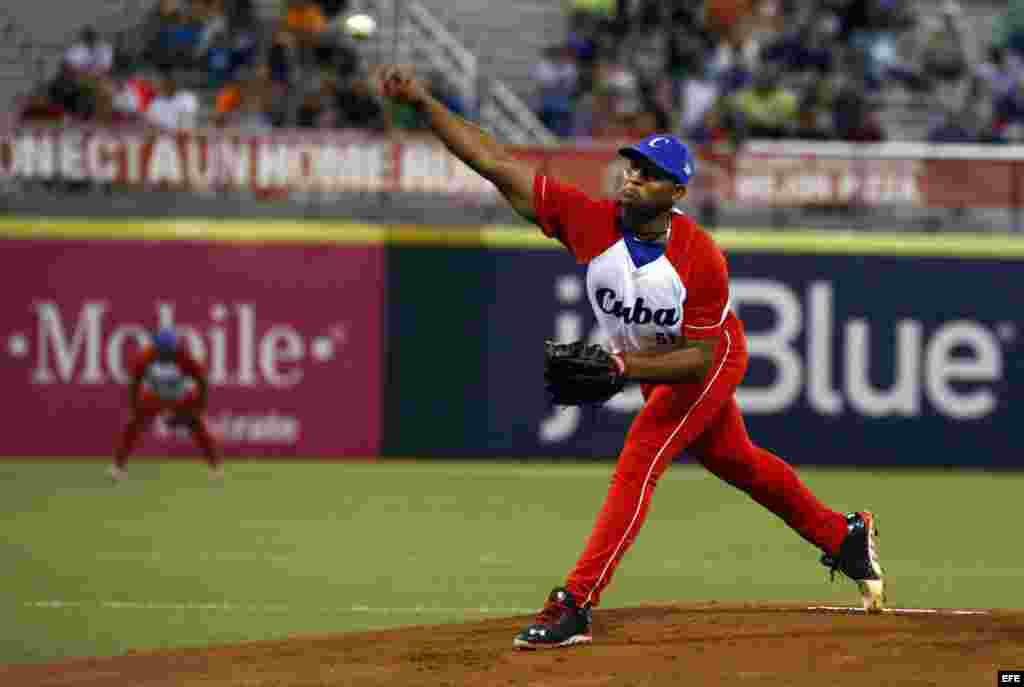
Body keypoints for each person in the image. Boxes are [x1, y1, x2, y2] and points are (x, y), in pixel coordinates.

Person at [376, 64, 886, 651]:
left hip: (708, 358)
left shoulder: (700, 258)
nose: (635, 176)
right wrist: (422, 102)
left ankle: (575, 601)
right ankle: (840, 534)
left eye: (652, 173)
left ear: (677, 193)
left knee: (640, 458)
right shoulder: (589, 223)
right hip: (658, 365)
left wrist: (621, 368)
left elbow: (697, 360)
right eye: (634, 165)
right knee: (735, 460)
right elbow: (494, 162)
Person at [110, 328, 224, 482]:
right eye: (162, 352)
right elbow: (134, 383)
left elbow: (202, 381)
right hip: (154, 395)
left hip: (180, 396)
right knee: (133, 425)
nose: (165, 355)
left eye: (168, 352)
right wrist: (134, 405)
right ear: (156, 348)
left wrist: (199, 405)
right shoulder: (145, 357)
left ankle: (216, 467)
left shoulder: (184, 357)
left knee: (198, 426)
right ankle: (118, 467)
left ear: (175, 348)